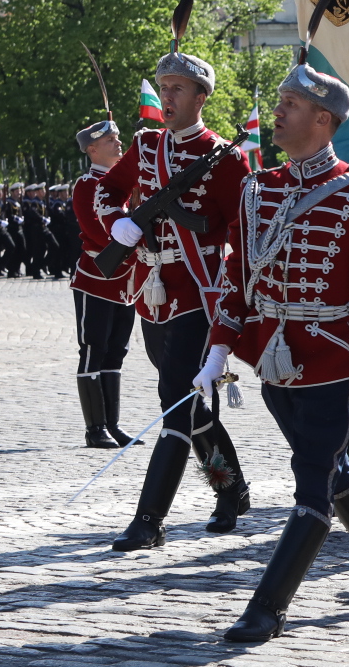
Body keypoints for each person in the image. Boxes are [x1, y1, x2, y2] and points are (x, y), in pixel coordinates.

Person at [208, 62, 349, 643]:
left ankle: (268, 606)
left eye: (291, 104)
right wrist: (220, 349)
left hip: (333, 360)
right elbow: (238, 278)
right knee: (334, 469)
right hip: (275, 362)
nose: (278, 112)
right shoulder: (257, 188)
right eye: (279, 101)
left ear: (323, 121)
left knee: (312, 482)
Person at [97, 49, 253, 551]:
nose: (166, 97)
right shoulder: (145, 146)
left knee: (173, 404)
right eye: (163, 88)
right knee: (187, 404)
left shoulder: (227, 158)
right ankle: (231, 489)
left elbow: (241, 234)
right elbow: (104, 193)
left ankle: (149, 520)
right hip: (153, 291)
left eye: (177, 89)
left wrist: (230, 291)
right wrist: (117, 223)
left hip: (198, 292)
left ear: (201, 97)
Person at [71, 119, 138, 449]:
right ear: (92, 149)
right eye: (111, 140)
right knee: (93, 349)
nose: (118, 143)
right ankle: (94, 428)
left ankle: (112, 424)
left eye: (118, 137)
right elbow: (96, 231)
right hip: (96, 279)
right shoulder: (87, 185)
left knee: (116, 352)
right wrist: (130, 241)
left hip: (125, 281)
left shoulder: (127, 186)